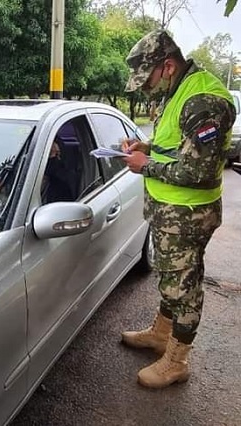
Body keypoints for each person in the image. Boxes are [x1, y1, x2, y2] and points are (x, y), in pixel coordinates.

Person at [120, 30, 236, 389]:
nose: (145, 88)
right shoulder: (180, 91)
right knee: (171, 280)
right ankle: (161, 334)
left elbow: (198, 171)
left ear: (167, 66)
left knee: (183, 288)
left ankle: (176, 360)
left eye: (147, 79)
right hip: (173, 212)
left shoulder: (203, 101)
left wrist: (145, 165)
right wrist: (150, 146)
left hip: (188, 215)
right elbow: (180, 147)